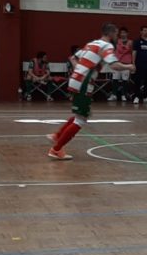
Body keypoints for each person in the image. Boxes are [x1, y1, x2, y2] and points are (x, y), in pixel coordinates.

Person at [47, 23, 136, 160]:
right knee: (81, 119)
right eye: (116, 34)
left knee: (82, 113)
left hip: (76, 79)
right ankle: (56, 149)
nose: (117, 36)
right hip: (84, 83)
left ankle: (58, 135)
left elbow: (72, 58)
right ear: (111, 33)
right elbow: (114, 65)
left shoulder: (92, 44)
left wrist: (80, 70)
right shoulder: (107, 46)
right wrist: (129, 67)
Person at [132, 25, 147, 104]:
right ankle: (136, 97)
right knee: (138, 81)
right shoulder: (137, 41)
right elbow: (134, 52)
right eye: (144, 30)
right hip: (139, 65)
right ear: (141, 32)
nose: (146, 32)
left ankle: (146, 97)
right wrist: (133, 63)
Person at [109, 27, 133, 102]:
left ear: (127, 34)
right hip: (117, 63)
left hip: (126, 63)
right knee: (115, 79)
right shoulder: (117, 41)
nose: (123, 34)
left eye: (124, 33)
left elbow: (131, 51)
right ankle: (114, 95)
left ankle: (124, 95)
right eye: (121, 33)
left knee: (125, 80)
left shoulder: (130, 42)